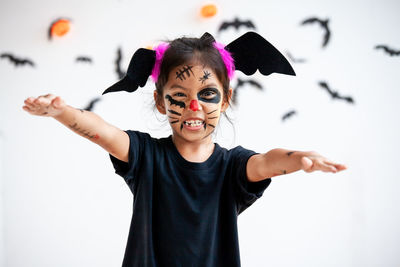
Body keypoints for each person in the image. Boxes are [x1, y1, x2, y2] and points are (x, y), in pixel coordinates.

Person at [22, 32, 346, 267]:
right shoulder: (146, 156)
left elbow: (266, 162)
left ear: (226, 99)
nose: (194, 107)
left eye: (207, 94)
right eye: (180, 95)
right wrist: (60, 112)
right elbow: (103, 132)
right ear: (161, 102)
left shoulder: (233, 166)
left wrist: (299, 159)